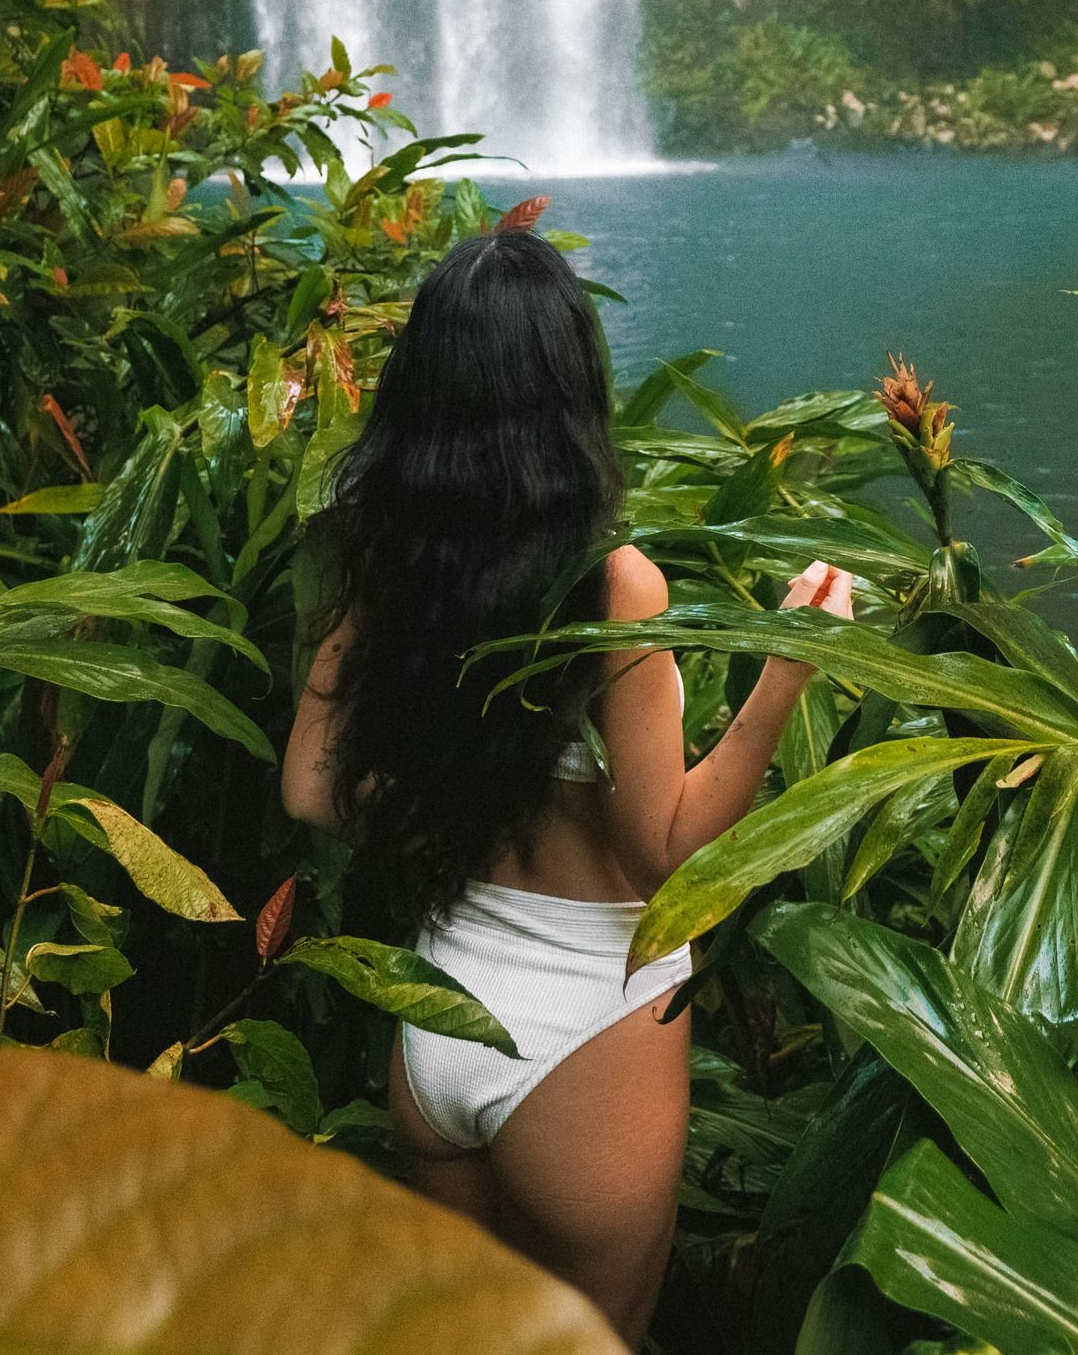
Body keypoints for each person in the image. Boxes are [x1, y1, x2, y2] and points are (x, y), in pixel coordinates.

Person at [280, 227, 855, 1346]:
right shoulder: (610, 582)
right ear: (570, 391)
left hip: (440, 1010)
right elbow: (665, 852)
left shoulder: (384, 556)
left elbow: (308, 789)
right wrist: (790, 663)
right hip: (587, 1027)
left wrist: (456, 803)